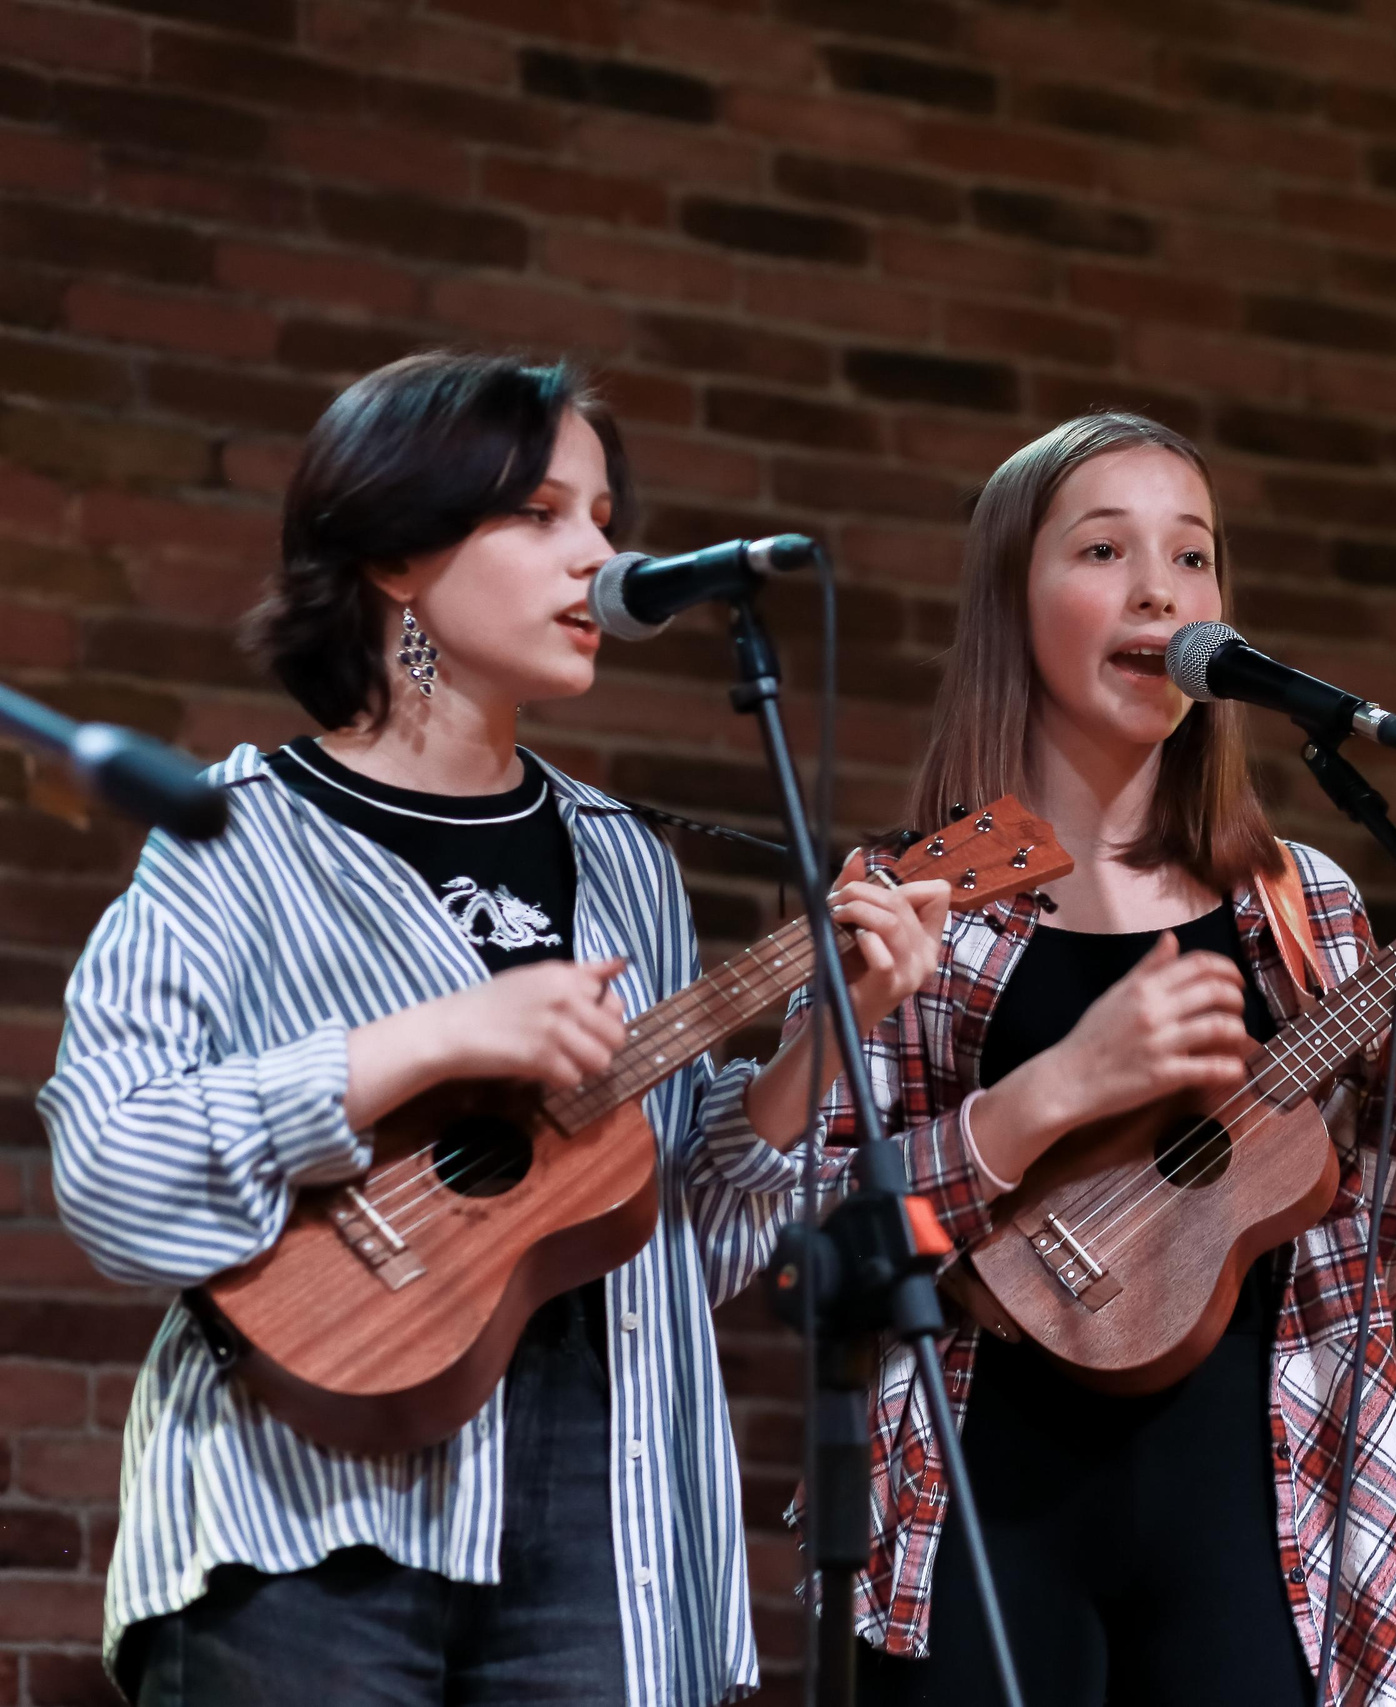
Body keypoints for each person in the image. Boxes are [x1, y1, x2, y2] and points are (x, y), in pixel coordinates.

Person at [40, 350, 947, 1707]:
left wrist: (834, 1031)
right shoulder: (234, 840)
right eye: (540, 513)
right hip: (306, 1505)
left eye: (602, 516)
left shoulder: (622, 859)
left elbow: (679, 1227)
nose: (599, 554)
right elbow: (113, 1173)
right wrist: (426, 1040)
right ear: (399, 552)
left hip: (610, 1517)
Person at [826, 412, 1396, 1707]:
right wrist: (1051, 1094)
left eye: (1194, 558)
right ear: (1010, 597)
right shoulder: (922, 901)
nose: (1161, 588)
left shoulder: (1296, 902)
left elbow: (1370, 1254)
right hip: (980, 1494)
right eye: (1105, 547)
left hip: (1258, 1507)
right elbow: (830, 1229)